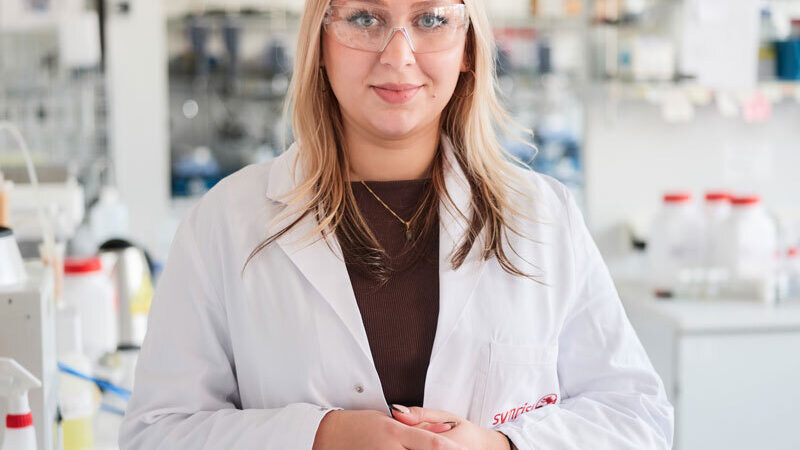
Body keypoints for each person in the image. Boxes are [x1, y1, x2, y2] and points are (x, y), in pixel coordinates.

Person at [119, 0, 674, 449]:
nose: (398, 55)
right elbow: (156, 433)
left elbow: (635, 417)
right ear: (320, 43)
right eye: (365, 18)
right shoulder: (225, 221)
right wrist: (316, 438)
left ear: (467, 48)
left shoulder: (543, 216)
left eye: (430, 19)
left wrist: (502, 445)